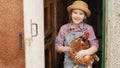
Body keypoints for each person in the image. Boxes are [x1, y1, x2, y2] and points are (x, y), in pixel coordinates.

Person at [55, 0, 99, 68]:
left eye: (81, 14)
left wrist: (84, 52)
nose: (77, 16)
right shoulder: (64, 28)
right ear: (71, 14)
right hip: (69, 63)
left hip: (85, 62)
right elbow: (57, 47)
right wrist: (69, 49)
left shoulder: (88, 28)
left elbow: (95, 46)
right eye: (75, 13)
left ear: (84, 16)